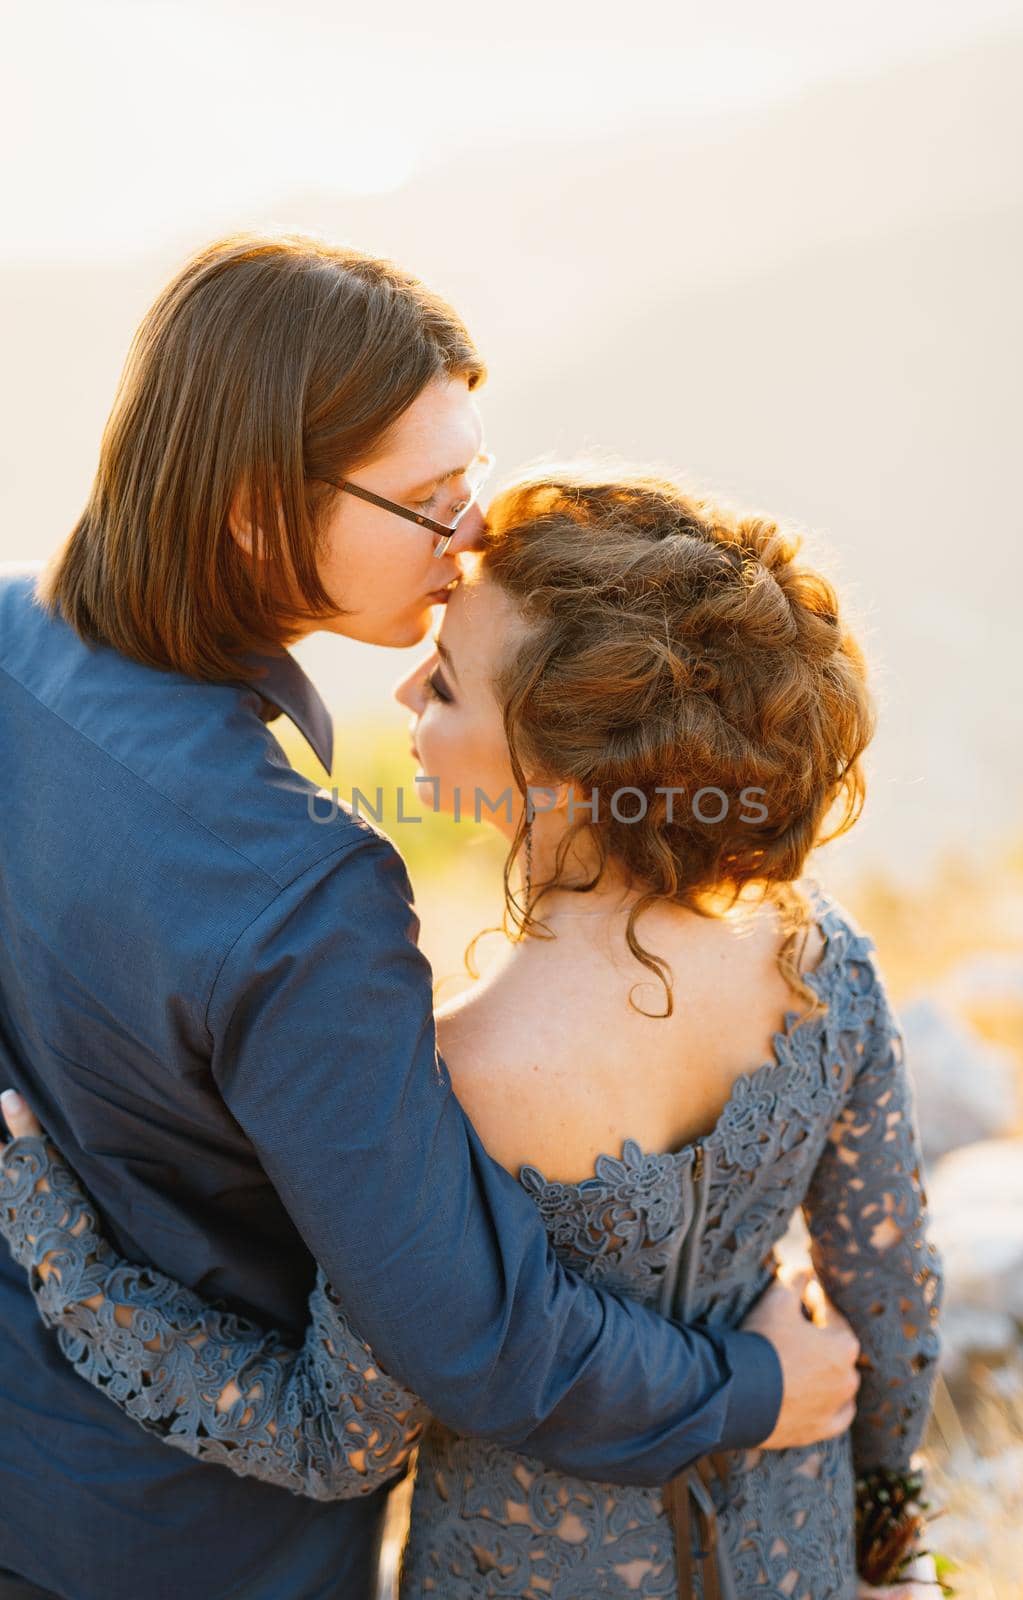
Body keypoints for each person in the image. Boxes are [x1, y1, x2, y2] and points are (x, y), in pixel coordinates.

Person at [0, 235, 863, 1600]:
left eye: (473, 472)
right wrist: (755, 1386)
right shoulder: (304, 897)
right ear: (249, 510)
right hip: (203, 1549)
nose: (475, 533)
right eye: (429, 497)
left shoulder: (9, 644)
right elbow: (470, 1335)